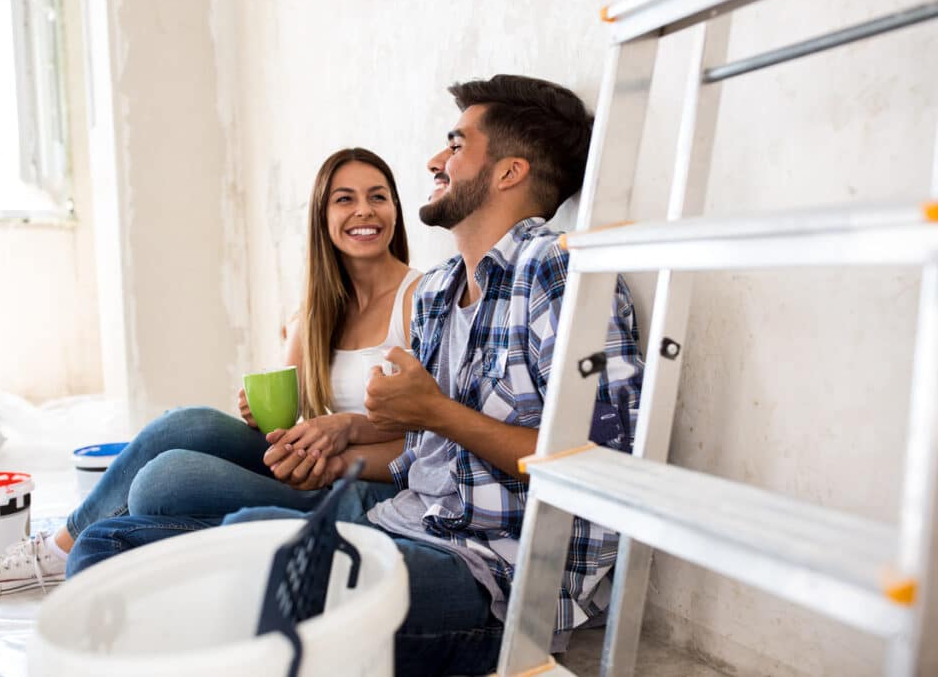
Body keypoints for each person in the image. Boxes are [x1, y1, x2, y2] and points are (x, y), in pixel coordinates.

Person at [66, 74, 644, 677]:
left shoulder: (560, 274)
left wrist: (435, 412)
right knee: (109, 543)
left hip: (494, 582)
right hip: (406, 523)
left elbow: (601, 470)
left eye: (455, 144)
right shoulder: (443, 293)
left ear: (508, 172)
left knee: (255, 537)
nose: (433, 160)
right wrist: (342, 438)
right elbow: (422, 457)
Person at [0, 147, 421, 596]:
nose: (365, 211)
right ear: (322, 217)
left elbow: (436, 443)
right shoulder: (317, 314)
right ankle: (61, 549)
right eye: (346, 199)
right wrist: (267, 419)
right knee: (187, 425)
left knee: (163, 484)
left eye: (378, 196)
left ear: (395, 210)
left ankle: (94, 547)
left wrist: (338, 447)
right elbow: (288, 427)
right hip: (318, 468)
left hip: (376, 486)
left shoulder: (421, 300)